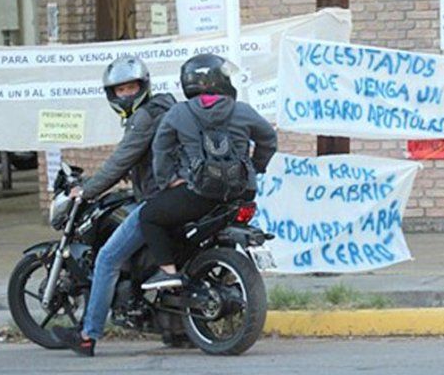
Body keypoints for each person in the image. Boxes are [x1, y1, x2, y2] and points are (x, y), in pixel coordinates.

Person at [52, 56, 176, 357]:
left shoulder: (143, 118)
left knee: (107, 258)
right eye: (121, 90)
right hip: (173, 196)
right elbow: (138, 160)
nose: (127, 94)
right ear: (112, 94)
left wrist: (87, 190)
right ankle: (178, 329)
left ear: (143, 86)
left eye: (131, 87)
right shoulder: (165, 108)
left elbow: (121, 160)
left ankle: (87, 335)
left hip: (156, 200)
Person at [139, 53, 277, 291]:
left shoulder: (178, 113)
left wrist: (168, 180)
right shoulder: (243, 110)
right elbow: (269, 140)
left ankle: (168, 272)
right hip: (242, 192)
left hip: (200, 194)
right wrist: (255, 168)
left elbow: (161, 149)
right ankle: (225, 273)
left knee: (149, 215)